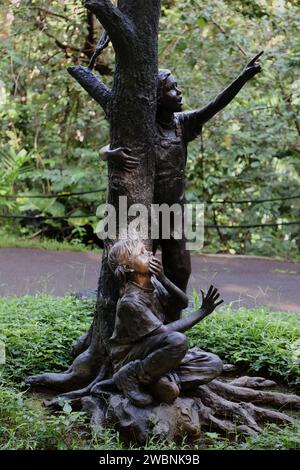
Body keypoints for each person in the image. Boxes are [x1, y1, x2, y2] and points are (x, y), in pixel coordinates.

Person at [99, 52, 263, 318]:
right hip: (144, 214)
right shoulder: (142, 126)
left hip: (174, 211)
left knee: (181, 269)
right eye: (171, 89)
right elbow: (111, 144)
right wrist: (108, 154)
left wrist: (242, 77)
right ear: (156, 97)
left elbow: (214, 106)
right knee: (140, 271)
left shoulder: (182, 124)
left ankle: (172, 322)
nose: (178, 92)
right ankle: (144, 324)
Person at [91, 238, 223, 407]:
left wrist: (163, 279)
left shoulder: (153, 283)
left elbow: (181, 303)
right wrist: (202, 312)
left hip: (155, 354)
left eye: (147, 251)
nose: (149, 254)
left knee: (213, 364)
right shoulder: (130, 301)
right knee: (178, 341)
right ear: (128, 267)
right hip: (131, 357)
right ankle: (131, 375)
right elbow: (164, 333)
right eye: (141, 253)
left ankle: (158, 379)